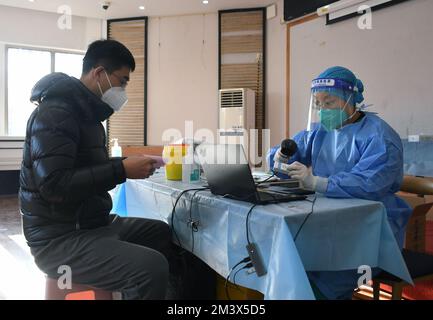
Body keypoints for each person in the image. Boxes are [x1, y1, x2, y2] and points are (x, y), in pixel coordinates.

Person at [20, 40, 171, 300]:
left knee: (162, 233)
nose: (123, 90)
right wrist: (121, 170)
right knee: (151, 267)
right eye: (122, 81)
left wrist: (123, 164)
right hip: (58, 239)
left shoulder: (87, 116)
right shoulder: (55, 114)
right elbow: (55, 185)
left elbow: (88, 170)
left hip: (91, 224)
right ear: (99, 73)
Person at [267, 66, 412, 299]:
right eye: (318, 103)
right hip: (328, 220)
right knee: (288, 266)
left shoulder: (381, 137)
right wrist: (279, 158)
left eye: (330, 102)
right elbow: (292, 150)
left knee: (321, 285)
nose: (323, 110)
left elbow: (369, 183)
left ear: (350, 100)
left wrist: (317, 182)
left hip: (370, 228)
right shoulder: (320, 131)